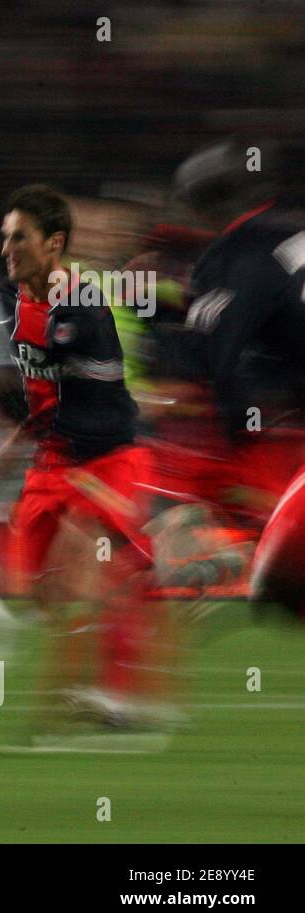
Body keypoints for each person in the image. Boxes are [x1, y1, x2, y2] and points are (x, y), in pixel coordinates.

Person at [0, 185, 167, 742]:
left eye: (20, 238)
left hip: (106, 454)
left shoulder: (85, 312)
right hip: (52, 460)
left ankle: (111, 696)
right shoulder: (10, 297)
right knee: (19, 589)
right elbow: (32, 385)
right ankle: (109, 656)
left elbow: (96, 411)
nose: (7, 248)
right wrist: (17, 430)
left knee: (84, 564)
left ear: (54, 245)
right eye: (5, 237)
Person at [170, 138, 305, 618]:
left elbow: (217, 356)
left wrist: (240, 439)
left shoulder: (233, 251)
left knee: (281, 577)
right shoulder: (293, 229)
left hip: (276, 440)